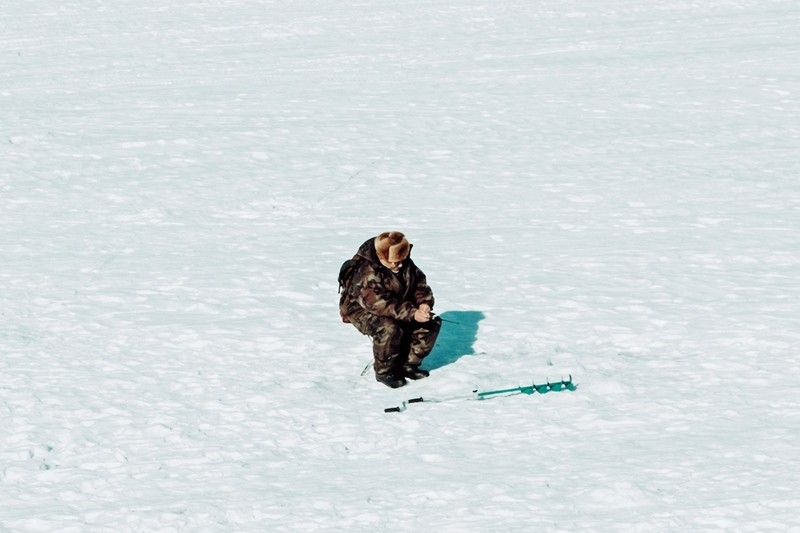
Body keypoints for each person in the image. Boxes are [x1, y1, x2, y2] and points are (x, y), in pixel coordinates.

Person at [340, 231, 441, 388]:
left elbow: (419, 284)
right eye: (395, 262)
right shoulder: (367, 273)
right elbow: (379, 304)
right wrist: (413, 313)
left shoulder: (402, 261)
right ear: (381, 257)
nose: (400, 265)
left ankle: (409, 363)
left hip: (397, 304)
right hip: (363, 309)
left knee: (431, 322)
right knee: (388, 328)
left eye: (402, 260)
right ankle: (385, 371)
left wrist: (424, 303)